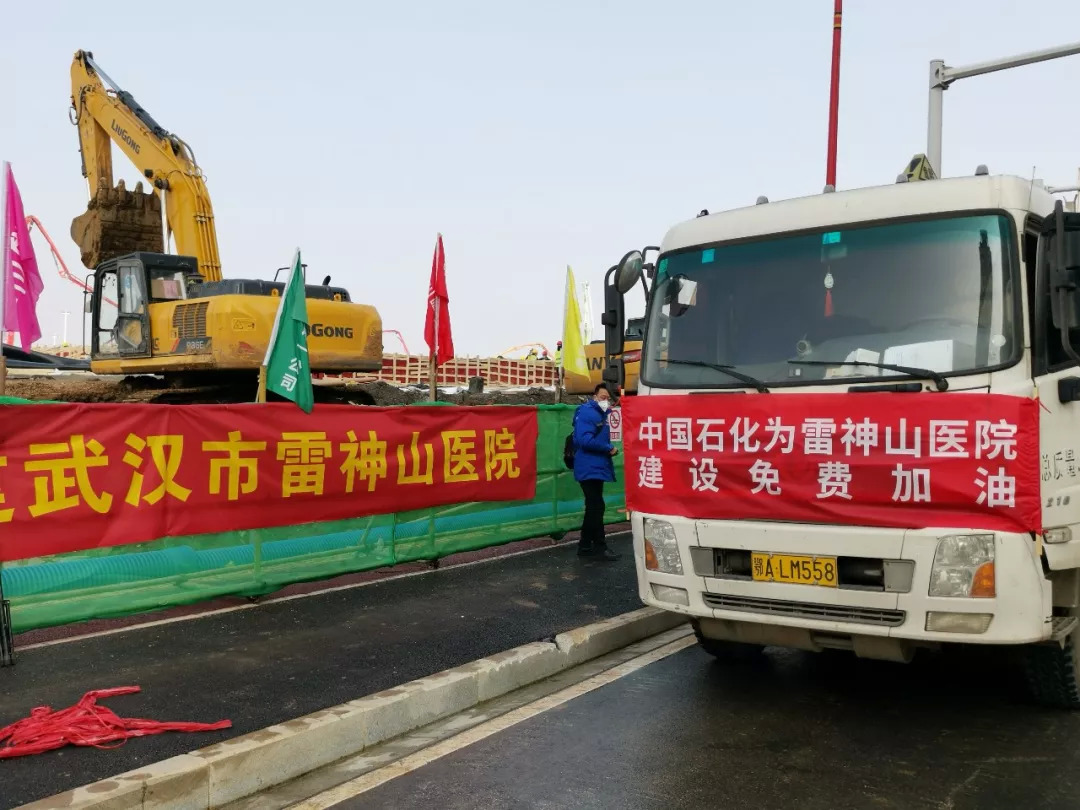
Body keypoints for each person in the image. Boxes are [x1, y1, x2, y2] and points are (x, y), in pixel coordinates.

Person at [572, 383, 619, 561]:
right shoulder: (588, 413)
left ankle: (588, 546)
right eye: (602, 397)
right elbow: (585, 440)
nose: (606, 401)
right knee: (595, 506)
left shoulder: (600, 413)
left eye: (608, 398)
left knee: (595, 506)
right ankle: (594, 546)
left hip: (594, 466)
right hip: (589, 466)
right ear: (595, 397)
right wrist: (608, 448)